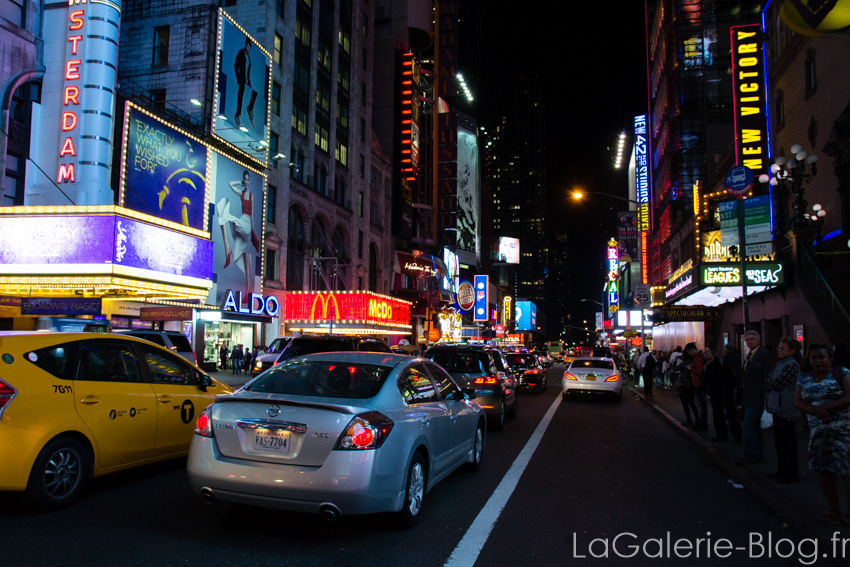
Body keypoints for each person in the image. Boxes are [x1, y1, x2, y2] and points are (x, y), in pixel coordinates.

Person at [794, 344, 850, 526]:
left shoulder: (842, 373)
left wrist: (825, 408)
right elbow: (797, 400)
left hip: (843, 430)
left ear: (830, 359)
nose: (817, 361)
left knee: (846, 470)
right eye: (813, 358)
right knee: (824, 469)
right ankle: (834, 509)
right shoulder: (804, 377)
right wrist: (813, 410)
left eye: (821, 357)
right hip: (818, 431)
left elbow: (849, 397)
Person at [217, 170, 261, 299]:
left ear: (250, 181)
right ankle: (248, 287)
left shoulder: (251, 195)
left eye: (248, 180)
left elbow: (252, 216)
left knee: (226, 214)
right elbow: (231, 184)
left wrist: (253, 232)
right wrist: (240, 182)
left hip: (246, 223)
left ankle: (226, 246)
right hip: (241, 222)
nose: (246, 182)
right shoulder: (241, 193)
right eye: (245, 179)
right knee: (238, 255)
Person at [765, 337, 802, 483]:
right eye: (778, 348)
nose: (779, 350)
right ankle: (782, 470)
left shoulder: (792, 365)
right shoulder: (779, 363)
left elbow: (777, 383)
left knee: (788, 443)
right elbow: (769, 379)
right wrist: (770, 382)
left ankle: (791, 473)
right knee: (780, 442)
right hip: (778, 407)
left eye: (782, 348)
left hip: (786, 408)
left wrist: (770, 382)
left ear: (791, 350)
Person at [738, 330, 775, 465]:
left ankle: (750, 455)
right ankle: (758, 454)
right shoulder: (750, 355)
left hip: (757, 397)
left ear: (758, 340)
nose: (749, 342)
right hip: (748, 396)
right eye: (747, 340)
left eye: (752, 339)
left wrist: (765, 397)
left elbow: (768, 377)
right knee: (753, 427)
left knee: (749, 426)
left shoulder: (764, 355)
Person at [703, 347, 742, 444]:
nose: (706, 354)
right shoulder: (706, 367)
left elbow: (731, 376)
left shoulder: (722, 363)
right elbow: (706, 380)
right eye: (704, 353)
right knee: (717, 415)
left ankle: (737, 436)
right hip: (715, 394)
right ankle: (721, 435)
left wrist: (732, 388)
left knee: (731, 414)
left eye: (707, 352)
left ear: (712, 352)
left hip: (726, 392)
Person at [233, 37, 258, 129]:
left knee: (255, 93)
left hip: (247, 81)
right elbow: (236, 66)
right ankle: (237, 116)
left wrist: (249, 81)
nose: (248, 49)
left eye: (250, 48)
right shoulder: (240, 53)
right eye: (248, 47)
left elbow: (248, 69)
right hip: (242, 80)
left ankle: (250, 109)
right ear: (245, 45)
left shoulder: (248, 56)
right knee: (241, 96)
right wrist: (238, 78)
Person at [673, 346, 699, 427]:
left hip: (683, 385)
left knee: (685, 403)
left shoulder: (685, 363)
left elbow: (675, 368)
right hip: (691, 384)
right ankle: (697, 419)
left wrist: (674, 361)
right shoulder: (693, 361)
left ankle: (689, 419)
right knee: (692, 403)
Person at [685, 343, 708, 431]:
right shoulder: (698, 357)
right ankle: (703, 424)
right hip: (698, 384)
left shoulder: (698, 358)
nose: (689, 353)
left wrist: (691, 368)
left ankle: (703, 425)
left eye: (689, 351)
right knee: (701, 405)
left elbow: (699, 372)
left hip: (698, 384)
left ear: (692, 350)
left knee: (701, 405)